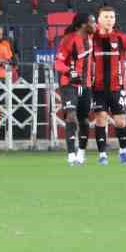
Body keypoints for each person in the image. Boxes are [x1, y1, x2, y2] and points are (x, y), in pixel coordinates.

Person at [88, 6, 126, 166]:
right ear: (99, 19)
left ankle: (123, 151)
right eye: (106, 17)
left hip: (117, 87)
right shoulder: (91, 38)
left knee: (121, 122)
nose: (109, 20)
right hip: (97, 88)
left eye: (112, 17)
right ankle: (102, 154)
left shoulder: (121, 38)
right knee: (100, 118)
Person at [54, 12, 95, 166]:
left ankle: (81, 153)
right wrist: (69, 71)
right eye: (92, 22)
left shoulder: (92, 40)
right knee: (71, 115)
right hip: (69, 84)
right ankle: (71, 154)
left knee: (84, 119)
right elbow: (58, 62)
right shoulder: (69, 40)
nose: (95, 25)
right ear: (83, 25)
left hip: (87, 84)